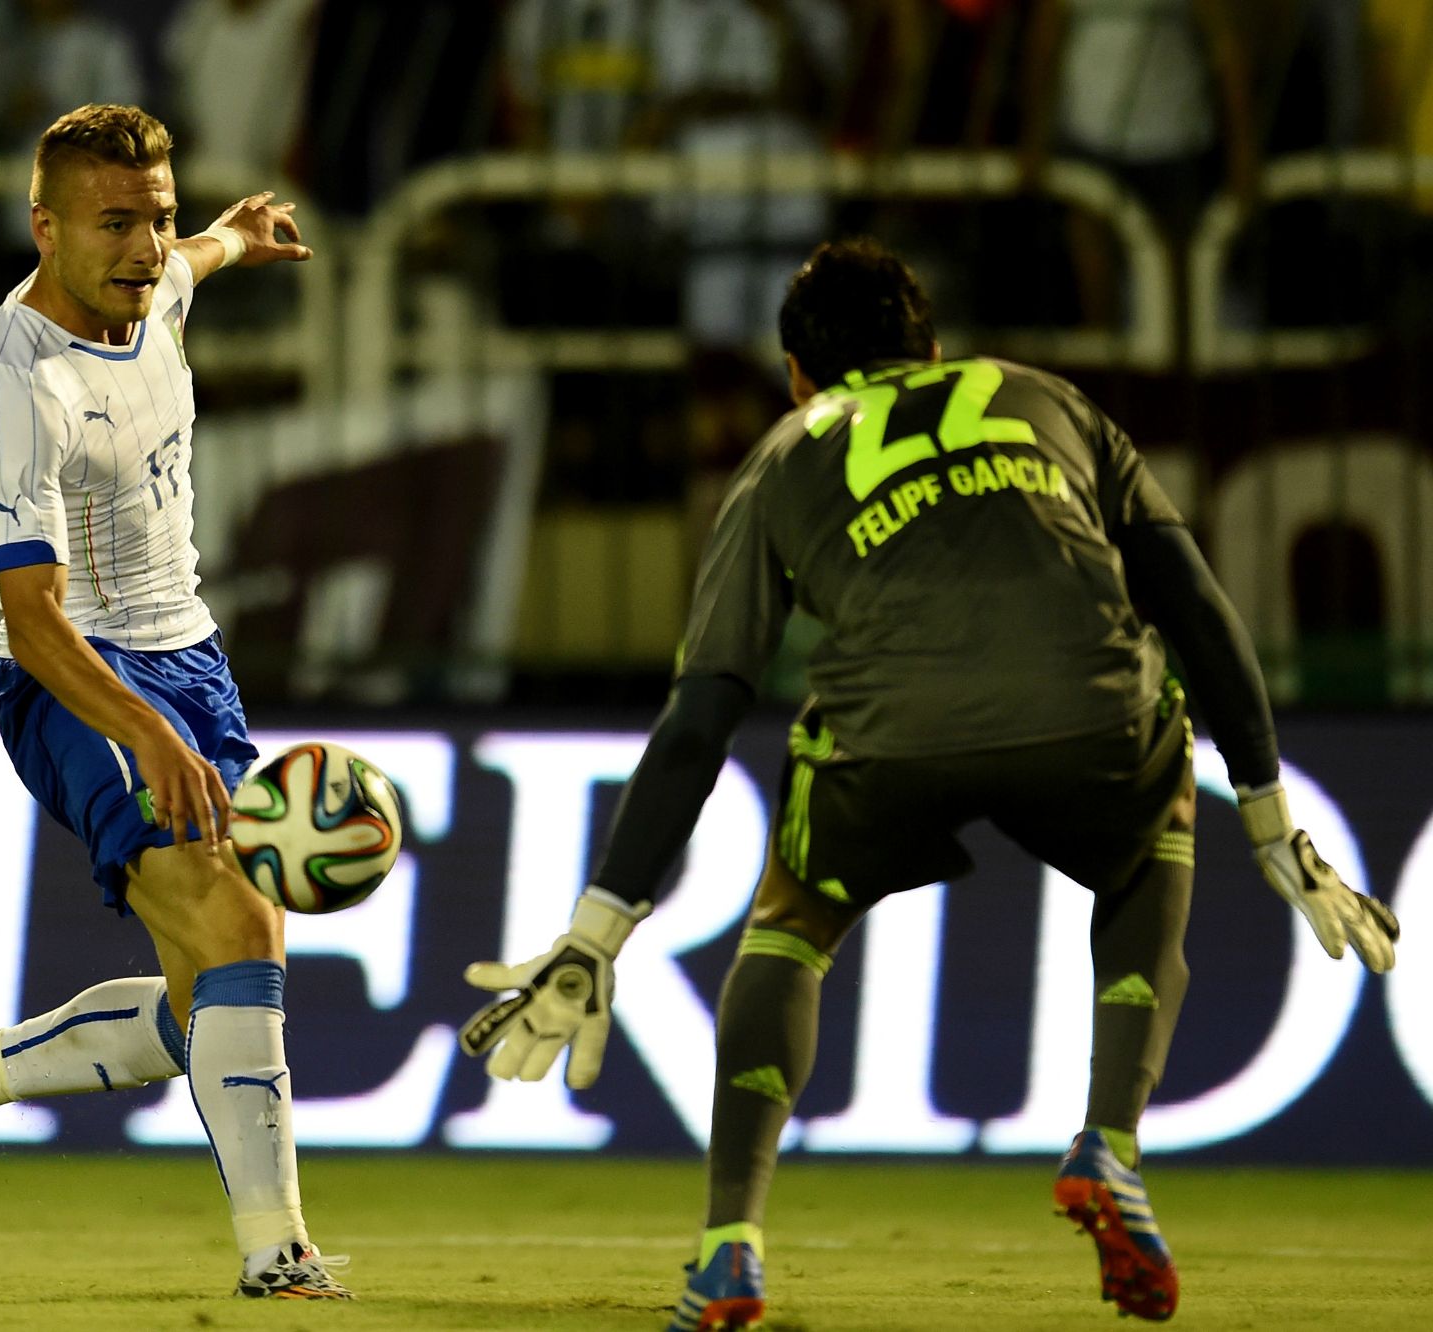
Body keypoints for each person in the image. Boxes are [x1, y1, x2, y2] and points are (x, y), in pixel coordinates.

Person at [457, 238, 1400, 1329]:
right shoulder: (1047, 400)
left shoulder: (780, 456)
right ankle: (1110, 1142)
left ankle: (729, 1246)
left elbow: (702, 715)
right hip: (1091, 720)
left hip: (886, 741)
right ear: (934, 347)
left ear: (798, 375)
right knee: (1154, 819)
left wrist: (599, 926)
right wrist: (1275, 817)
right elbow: (1194, 605)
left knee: (793, 917)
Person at [0, 102, 348, 1301]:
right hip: (81, 679)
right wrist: (149, 734)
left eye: (159, 217)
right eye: (115, 224)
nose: (145, 247)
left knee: (215, 993)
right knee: (242, 931)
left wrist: (236, 235)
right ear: (44, 228)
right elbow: (32, 621)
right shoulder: (9, 381)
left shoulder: (157, 287)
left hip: (194, 660)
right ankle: (277, 1255)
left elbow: (195, 263)